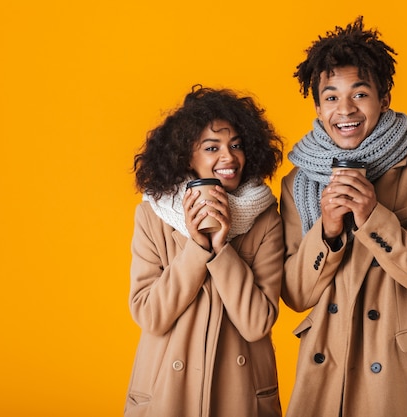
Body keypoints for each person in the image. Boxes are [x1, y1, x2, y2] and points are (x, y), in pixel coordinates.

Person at [279, 16, 407, 417]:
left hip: (398, 380)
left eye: (359, 94)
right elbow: (294, 294)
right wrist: (329, 231)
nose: (346, 110)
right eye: (332, 97)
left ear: (383, 98)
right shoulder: (298, 183)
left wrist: (375, 218)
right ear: (318, 107)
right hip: (325, 376)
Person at [125, 86, 284, 417]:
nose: (228, 157)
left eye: (236, 145)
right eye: (212, 147)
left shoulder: (265, 215)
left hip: (239, 395)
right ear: (186, 156)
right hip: (166, 392)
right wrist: (197, 247)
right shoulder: (152, 214)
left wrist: (222, 248)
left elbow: (257, 323)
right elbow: (150, 315)